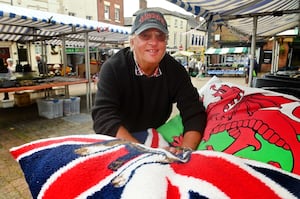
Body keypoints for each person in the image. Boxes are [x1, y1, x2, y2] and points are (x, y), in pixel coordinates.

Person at [92, 10, 207, 154]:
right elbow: (103, 118)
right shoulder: (113, 68)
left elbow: (194, 112)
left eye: (160, 37)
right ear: (132, 42)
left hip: (154, 133)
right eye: (145, 36)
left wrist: (185, 152)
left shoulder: (175, 71)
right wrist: (143, 153)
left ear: (166, 42)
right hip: (119, 137)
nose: (153, 43)